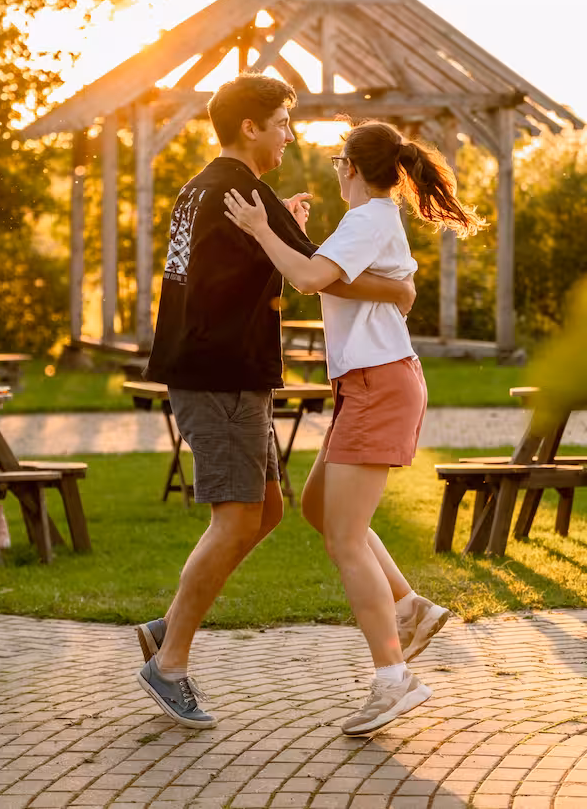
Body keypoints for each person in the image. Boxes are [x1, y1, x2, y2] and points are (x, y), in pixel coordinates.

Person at [135, 75, 417, 729]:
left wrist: (279, 229)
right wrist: (397, 291)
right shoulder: (244, 192)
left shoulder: (204, 187)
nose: (289, 135)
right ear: (251, 127)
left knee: (266, 511)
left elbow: (242, 266)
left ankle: (171, 624)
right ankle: (169, 663)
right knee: (237, 519)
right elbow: (315, 272)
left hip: (213, 370)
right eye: (283, 122)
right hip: (222, 376)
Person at [223, 119, 487, 736]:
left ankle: (394, 679)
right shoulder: (367, 220)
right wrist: (308, 244)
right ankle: (409, 608)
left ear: (351, 167)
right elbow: (340, 275)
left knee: (344, 538)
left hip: (379, 384)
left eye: (338, 161)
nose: (336, 170)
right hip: (365, 383)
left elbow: (309, 278)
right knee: (320, 508)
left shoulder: (368, 218)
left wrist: (262, 228)